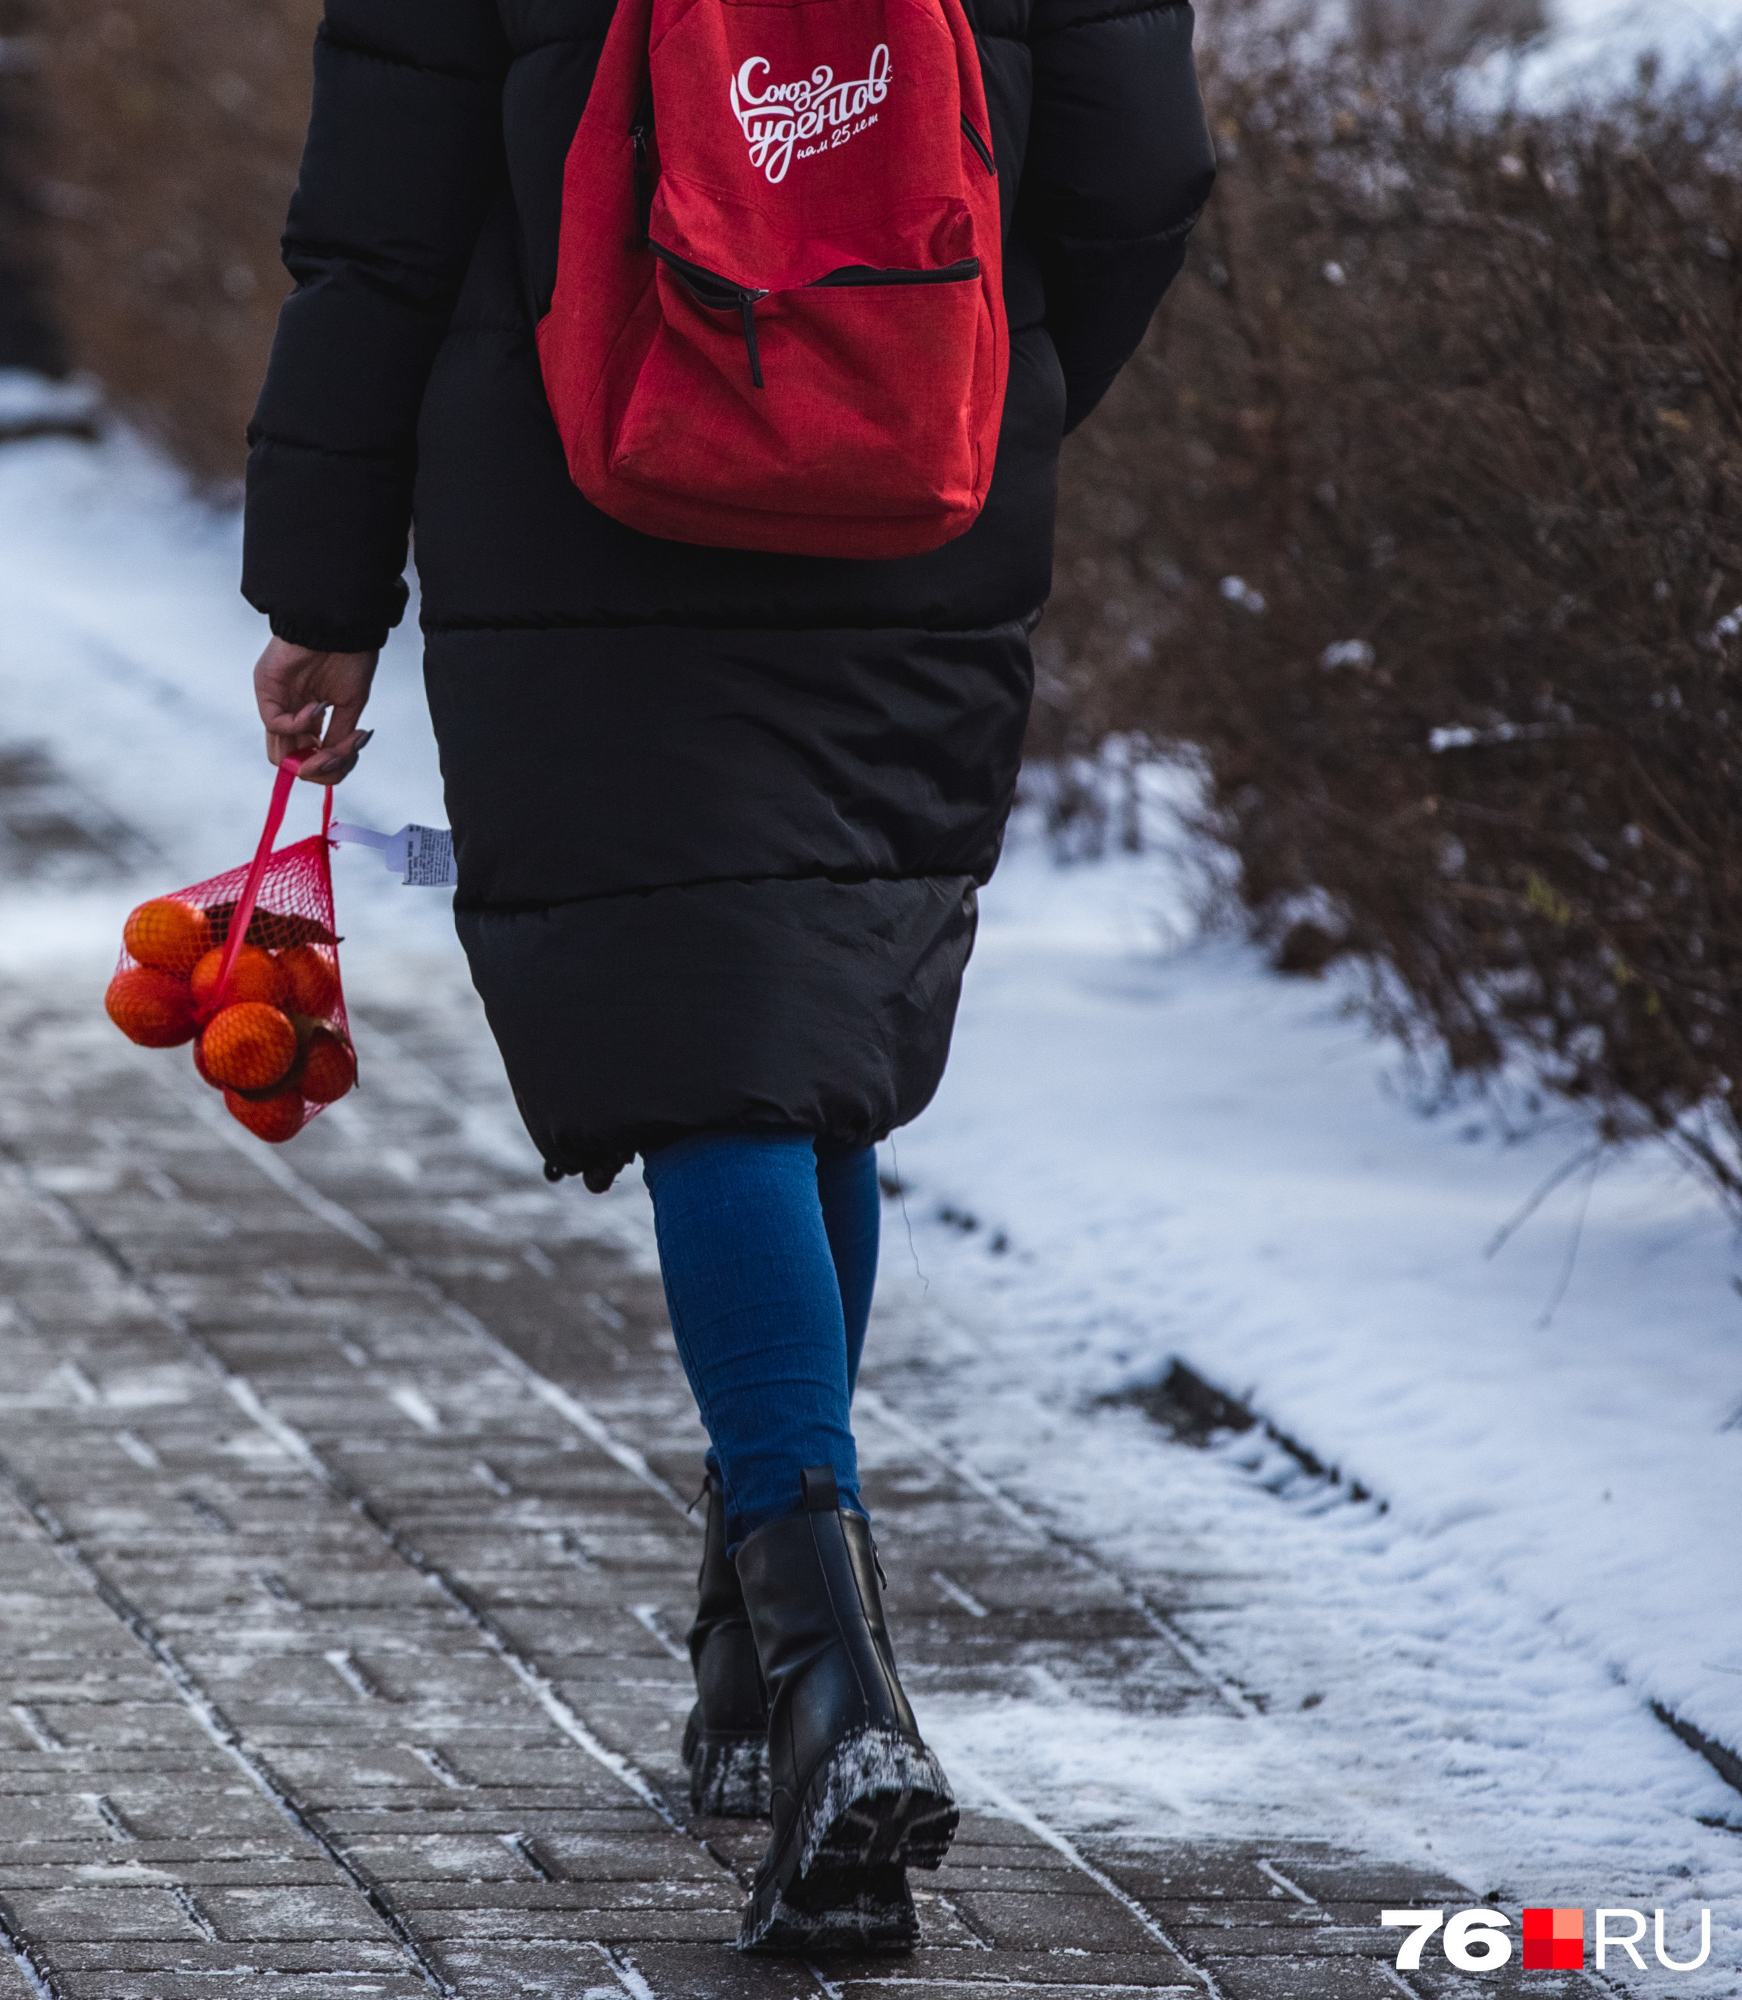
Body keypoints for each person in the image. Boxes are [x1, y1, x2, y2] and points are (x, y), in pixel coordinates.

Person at [240, 0, 1214, 1954]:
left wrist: (324, 587)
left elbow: (385, 221)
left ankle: (829, 1679)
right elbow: (1134, 169)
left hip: (584, 485)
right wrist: (972, 377)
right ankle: (760, 1676)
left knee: (719, 1060)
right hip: (916, 465)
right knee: (810, 1046)